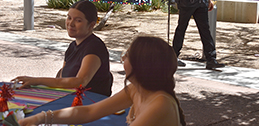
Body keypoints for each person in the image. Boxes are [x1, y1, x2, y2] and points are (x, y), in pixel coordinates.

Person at [18, 36, 186, 126]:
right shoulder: (135, 89)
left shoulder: (160, 104)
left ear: (141, 66)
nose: (122, 59)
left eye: (127, 55)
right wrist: (41, 118)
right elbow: (90, 112)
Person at [12, 0, 113, 96]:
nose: (71, 24)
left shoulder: (94, 47)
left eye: (78, 20)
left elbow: (80, 82)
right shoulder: (72, 46)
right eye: (69, 18)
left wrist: (37, 80)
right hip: (69, 96)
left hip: (90, 103)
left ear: (91, 25)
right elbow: (62, 76)